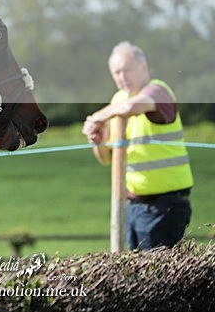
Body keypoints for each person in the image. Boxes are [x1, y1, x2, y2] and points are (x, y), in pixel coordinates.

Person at [82, 41, 193, 250]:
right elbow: (106, 159)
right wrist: (98, 141)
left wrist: (96, 118)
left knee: (155, 270)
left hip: (164, 206)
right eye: (116, 72)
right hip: (133, 206)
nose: (122, 77)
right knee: (135, 269)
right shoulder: (118, 100)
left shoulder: (158, 91)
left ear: (144, 66)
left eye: (127, 70)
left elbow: (132, 107)